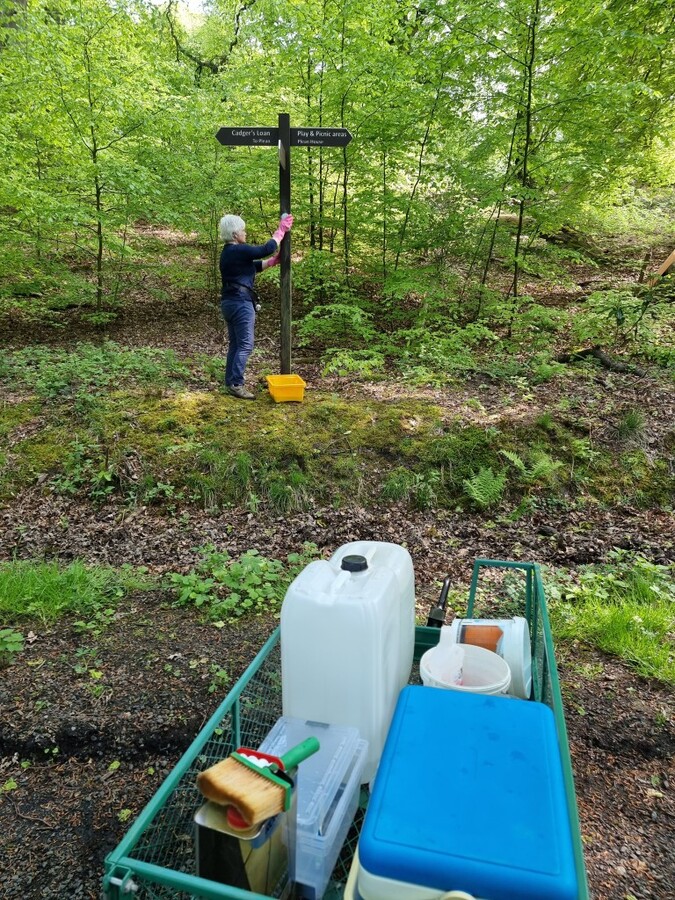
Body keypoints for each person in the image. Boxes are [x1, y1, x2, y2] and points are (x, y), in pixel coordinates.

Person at [218, 212, 294, 399]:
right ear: (235, 234)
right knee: (245, 345)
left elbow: (251, 267)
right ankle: (236, 384)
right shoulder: (238, 250)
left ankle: (231, 382)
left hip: (229, 302)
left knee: (236, 344)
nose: (245, 233)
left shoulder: (229, 253)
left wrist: (272, 262)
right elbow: (265, 248)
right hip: (240, 303)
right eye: (243, 230)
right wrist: (281, 230)